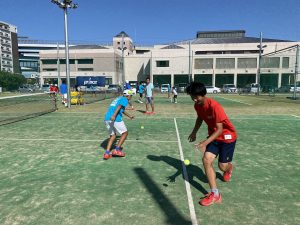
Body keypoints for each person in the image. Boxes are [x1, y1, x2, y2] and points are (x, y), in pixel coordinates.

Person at [186, 82, 237, 206]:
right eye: (192, 96)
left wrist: (204, 143)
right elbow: (200, 118)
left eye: (196, 96)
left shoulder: (215, 106)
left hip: (227, 137)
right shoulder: (197, 105)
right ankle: (215, 194)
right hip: (214, 137)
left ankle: (229, 168)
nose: (194, 99)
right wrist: (194, 133)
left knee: (222, 166)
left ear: (203, 95)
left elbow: (220, 129)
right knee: (206, 160)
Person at [103, 89, 135, 160]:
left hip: (107, 118)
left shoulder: (118, 98)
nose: (131, 97)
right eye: (131, 95)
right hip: (115, 118)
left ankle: (107, 153)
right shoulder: (124, 99)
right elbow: (119, 106)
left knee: (113, 136)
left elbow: (122, 109)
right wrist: (114, 115)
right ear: (128, 95)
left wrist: (129, 116)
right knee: (125, 133)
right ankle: (117, 150)